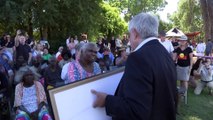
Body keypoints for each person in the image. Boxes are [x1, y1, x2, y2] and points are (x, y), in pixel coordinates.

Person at [91, 12, 177, 120]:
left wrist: (106, 100)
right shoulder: (164, 53)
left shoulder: (138, 58)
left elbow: (136, 110)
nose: (129, 41)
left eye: (129, 35)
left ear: (135, 34)